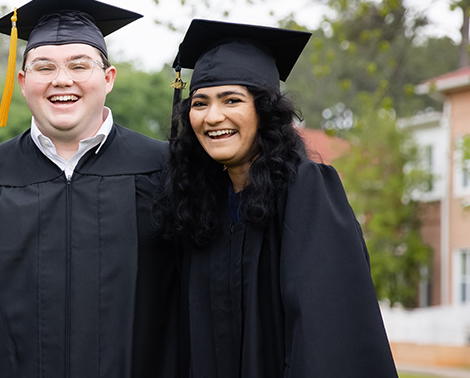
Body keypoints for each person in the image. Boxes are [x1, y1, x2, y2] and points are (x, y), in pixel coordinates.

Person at [0, 0, 179, 377]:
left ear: (108, 78)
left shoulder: (165, 170)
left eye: (79, 65)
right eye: (44, 67)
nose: (62, 80)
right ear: (23, 81)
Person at [158, 19, 397, 377]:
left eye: (232, 100)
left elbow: (328, 334)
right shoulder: (201, 204)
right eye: (200, 103)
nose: (213, 117)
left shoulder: (307, 191)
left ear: (264, 111)